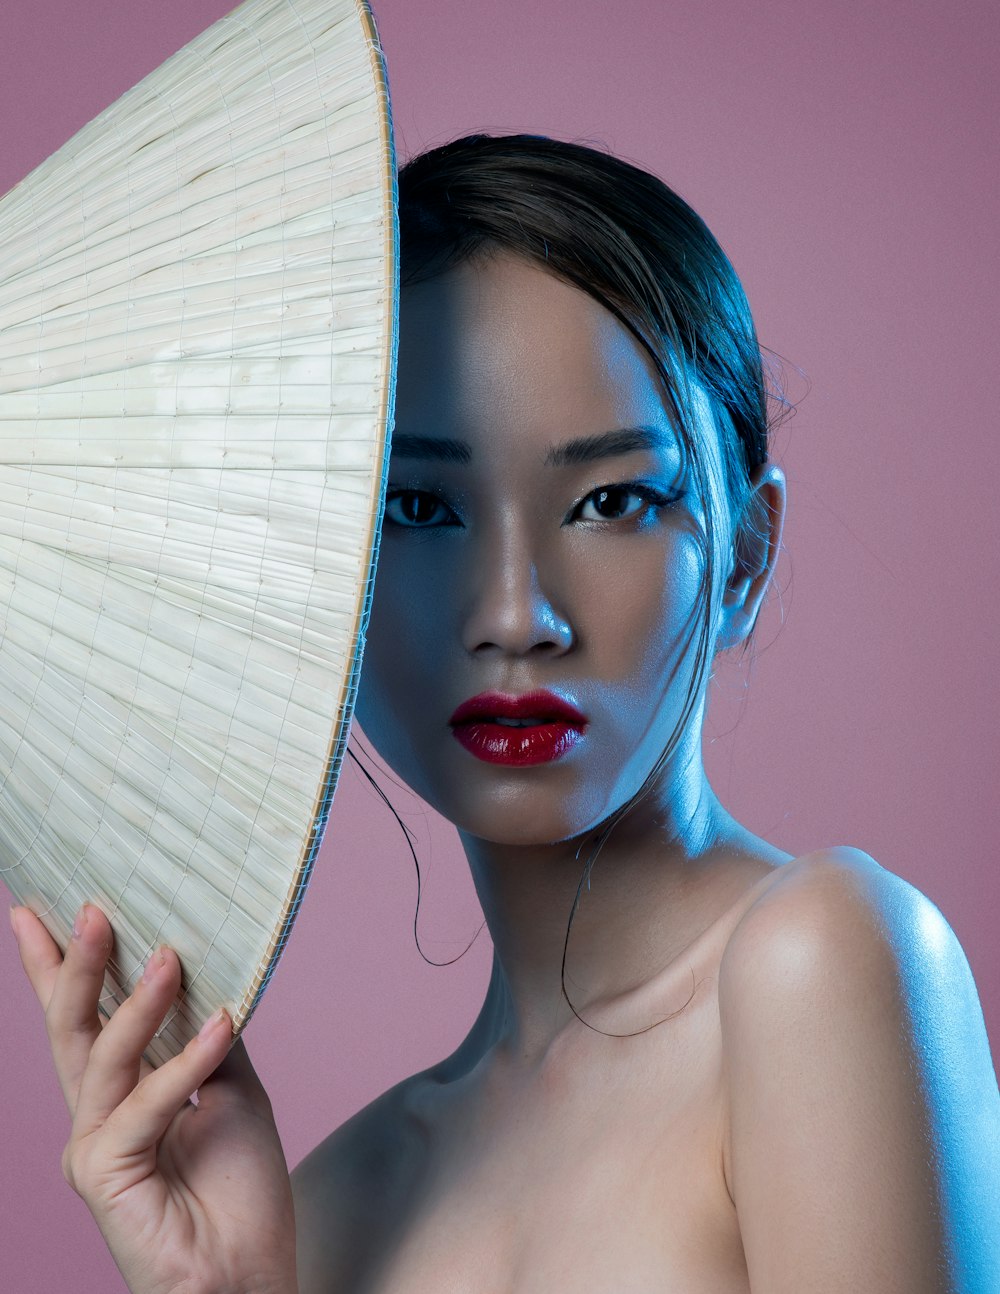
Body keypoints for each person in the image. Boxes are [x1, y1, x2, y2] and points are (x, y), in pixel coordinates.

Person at [10, 134, 1000, 1293]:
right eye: (420, 506)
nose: (516, 613)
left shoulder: (819, 962)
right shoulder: (330, 1201)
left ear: (743, 560)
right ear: (330, 576)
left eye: (611, 499)